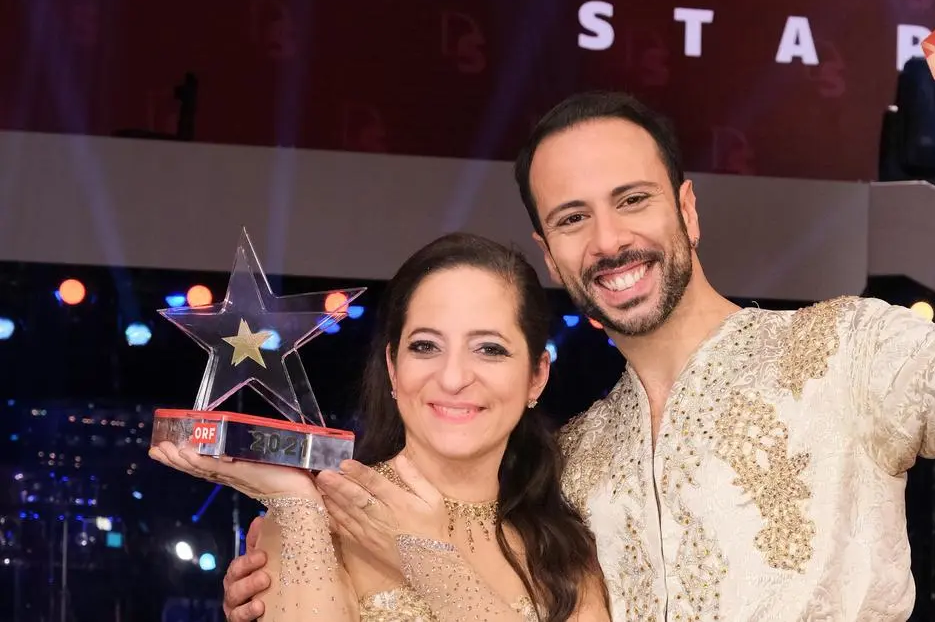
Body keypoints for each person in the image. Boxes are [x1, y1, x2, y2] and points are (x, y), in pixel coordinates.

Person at [224, 1, 935, 620]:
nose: (610, 239)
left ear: (686, 209)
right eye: (573, 218)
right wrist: (297, 565)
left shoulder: (846, 354)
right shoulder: (562, 467)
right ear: (552, 256)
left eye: (633, 200)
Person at [153, 233, 610, 621]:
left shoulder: (565, 551)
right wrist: (295, 502)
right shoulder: (314, 522)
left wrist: (427, 560)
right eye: (425, 346)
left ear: (537, 375)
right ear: (393, 367)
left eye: (489, 349)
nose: (453, 378)